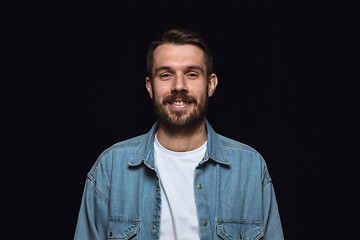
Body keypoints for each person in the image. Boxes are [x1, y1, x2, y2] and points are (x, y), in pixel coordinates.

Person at [74, 29, 284, 240]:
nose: (179, 86)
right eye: (166, 75)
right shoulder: (110, 168)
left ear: (211, 84)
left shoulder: (250, 169)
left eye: (191, 74)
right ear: (149, 87)